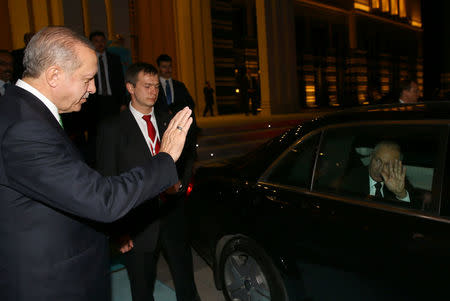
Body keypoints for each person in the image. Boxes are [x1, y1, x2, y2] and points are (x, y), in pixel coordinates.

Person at [0, 26, 192, 301]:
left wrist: (112, 231)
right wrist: (165, 158)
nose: (93, 88)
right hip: (50, 284)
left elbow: (64, 190)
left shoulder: (20, 110)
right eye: (88, 78)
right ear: (54, 75)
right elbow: (102, 197)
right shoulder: (25, 128)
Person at [96, 62, 200, 301]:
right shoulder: (112, 128)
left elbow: (187, 158)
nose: (154, 90)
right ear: (130, 87)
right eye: (147, 85)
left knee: (186, 282)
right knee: (142, 289)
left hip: (172, 215)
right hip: (138, 223)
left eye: (156, 86)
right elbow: (108, 180)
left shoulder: (168, 120)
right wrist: (119, 231)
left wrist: (180, 185)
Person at [341, 141, 417, 206]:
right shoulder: (352, 177)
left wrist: (401, 194)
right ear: (371, 157)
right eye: (378, 160)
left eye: (387, 165)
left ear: (395, 167)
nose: (380, 169)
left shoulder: (400, 181)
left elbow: (414, 208)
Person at [155, 54, 199, 136]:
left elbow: (191, 104)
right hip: (161, 129)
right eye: (164, 67)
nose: (168, 70)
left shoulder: (180, 85)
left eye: (170, 66)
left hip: (180, 128)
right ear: (158, 68)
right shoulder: (154, 86)